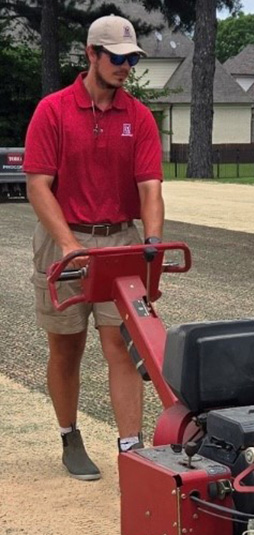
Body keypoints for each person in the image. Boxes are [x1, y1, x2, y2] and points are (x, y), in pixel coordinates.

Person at [23, 14, 164, 481]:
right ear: (91, 55)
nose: (125, 66)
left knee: (122, 346)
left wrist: (153, 241)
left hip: (120, 240)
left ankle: (131, 450)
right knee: (67, 347)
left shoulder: (138, 116)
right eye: (117, 58)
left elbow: (150, 188)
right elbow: (38, 186)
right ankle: (70, 437)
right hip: (64, 236)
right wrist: (67, 244)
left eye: (131, 59)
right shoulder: (53, 110)